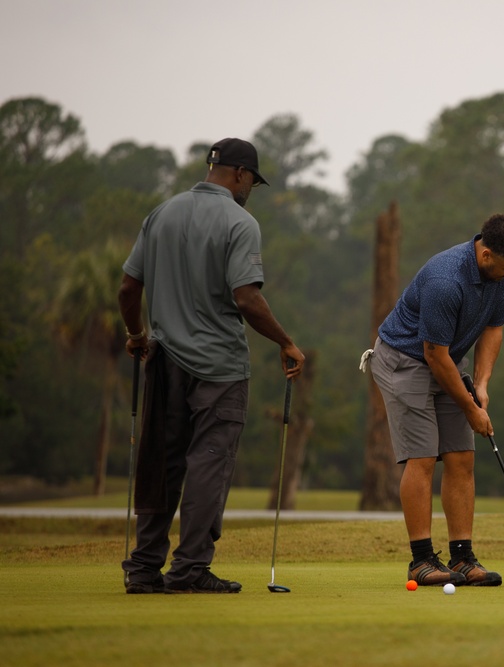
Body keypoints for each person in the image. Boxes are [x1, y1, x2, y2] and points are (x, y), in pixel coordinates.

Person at [118, 138, 305, 594]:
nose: (250, 191)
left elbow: (127, 288)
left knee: (160, 463)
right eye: (252, 183)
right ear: (240, 174)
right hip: (219, 367)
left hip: (162, 359)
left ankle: (143, 569)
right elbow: (247, 298)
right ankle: (189, 569)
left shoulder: (161, 213)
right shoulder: (240, 222)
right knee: (208, 465)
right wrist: (285, 341)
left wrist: (138, 336)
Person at [365, 213, 504, 587]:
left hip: (445, 361)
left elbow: (494, 327)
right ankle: (421, 560)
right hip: (404, 360)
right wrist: (471, 408)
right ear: (486, 255)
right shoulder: (446, 280)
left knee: (461, 456)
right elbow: (433, 355)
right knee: (423, 457)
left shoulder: (499, 273)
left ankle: (462, 558)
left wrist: (483, 385)